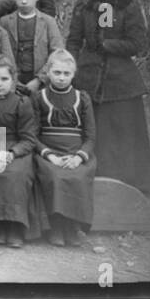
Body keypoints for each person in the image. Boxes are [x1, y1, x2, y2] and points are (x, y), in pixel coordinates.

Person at [65, 0, 150, 192]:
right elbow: (74, 41)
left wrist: (108, 45)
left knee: (124, 132)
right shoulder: (84, 6)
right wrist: (72, 66)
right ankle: (95, 181)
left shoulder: (128, 5)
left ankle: (131, 184)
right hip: (89, 76)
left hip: (121, 79)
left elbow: (138, 43)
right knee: (96, 132)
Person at [31, 49, 97, 247]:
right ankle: (57, 226)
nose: (61, 78)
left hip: (76, 152)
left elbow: (91, 136)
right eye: (57, 73)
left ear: (73, 74)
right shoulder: (38, 97)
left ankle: (73, 226)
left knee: (77, 175)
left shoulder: (82, 98)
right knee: (55, 175)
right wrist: (49, 155)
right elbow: (31, 135)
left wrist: (79, 156)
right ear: (48, 72)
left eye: (66, 74)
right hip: (48, 152)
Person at [0, 57, 39, 248]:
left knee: (16, 174)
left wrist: (12, 153)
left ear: (13, 80)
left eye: (4, 79)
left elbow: (28, 138)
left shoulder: (22, 102)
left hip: (16, 149)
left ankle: (15, 228)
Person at [0, 0, 64, 93]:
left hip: (40, 83)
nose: (24, 1)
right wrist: (13, 80)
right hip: (12, 81)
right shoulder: (5, 22)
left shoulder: (48, 22)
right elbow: (0, 53)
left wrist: (40, 80)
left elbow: (57, 53)